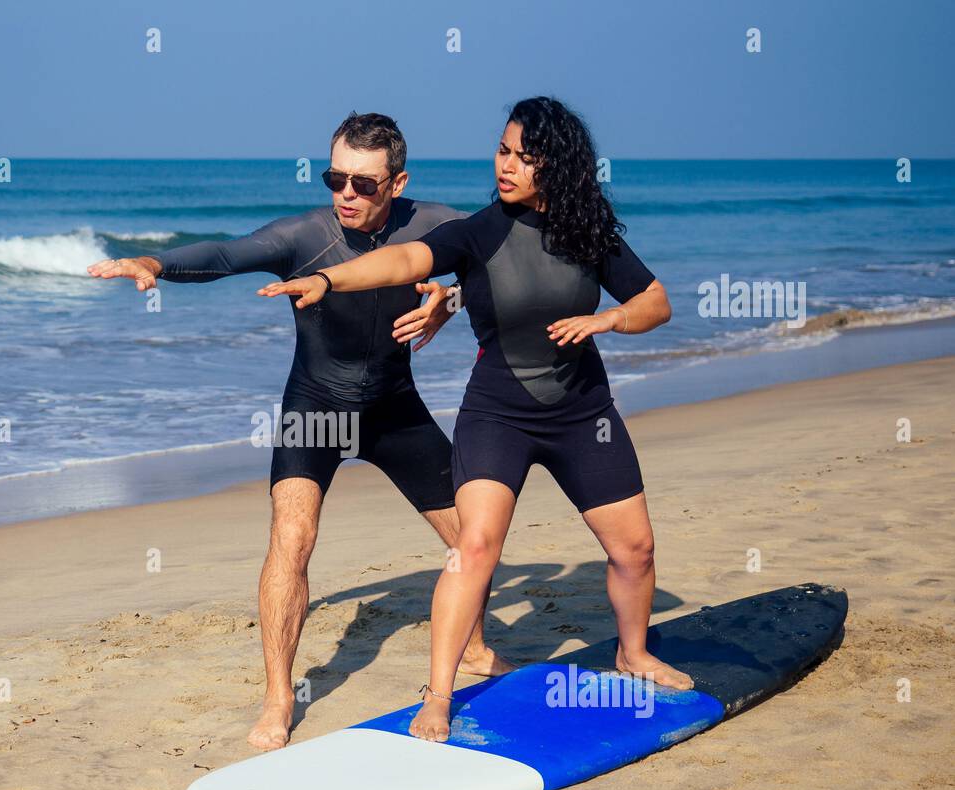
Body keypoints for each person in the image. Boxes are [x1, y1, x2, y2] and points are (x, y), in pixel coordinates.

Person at [259, 97, 694, 743]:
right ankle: (438, 694)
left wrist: (608, 319)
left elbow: (654, 301)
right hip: (499, 414)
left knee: (635, 550)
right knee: (473, 550)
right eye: (502, 150)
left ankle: (632, 652)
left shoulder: (590, 234)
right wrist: (332, 279)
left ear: (558, 165)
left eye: (524, 156)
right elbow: (405, 262)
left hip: (583, 414)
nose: (507, 165)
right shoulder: (478, 231)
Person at [88, 112, 513, 750]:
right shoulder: (304, 235)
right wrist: (153, 262)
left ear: (396, 183)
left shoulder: (436, 225)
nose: (345, 193)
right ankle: (280, 696)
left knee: (474, 534)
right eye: (334, 177)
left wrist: (445, 303)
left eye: (363, 184)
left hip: (395, 409)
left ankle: (475, 647)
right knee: (293, 537)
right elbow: (226, 253)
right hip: (315, 410)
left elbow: (494, 268)